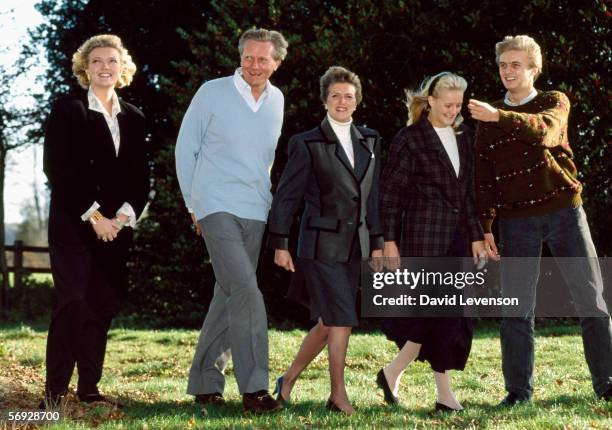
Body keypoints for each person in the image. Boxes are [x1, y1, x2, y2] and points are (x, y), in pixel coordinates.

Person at [468, 35, 612, 405]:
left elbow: (545, 131)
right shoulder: (488, 118)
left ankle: (607, 383)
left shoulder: (554, 101)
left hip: (565, 211)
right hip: (516, 222)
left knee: (591, 301)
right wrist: (486, 227)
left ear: (534, 69)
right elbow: (483, 179)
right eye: (503, 65)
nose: (508, 71)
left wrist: (500, 115)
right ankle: (518, 392)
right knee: (516, 310)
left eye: (516, 64)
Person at [175, 28, 288, 413]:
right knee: (247, 292)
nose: (255, 65)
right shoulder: (212, 92)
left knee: (227, 295)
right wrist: (194, 203)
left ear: (277, 62)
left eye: (264, 59)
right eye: (249, 57)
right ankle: (255, 388)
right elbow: (186, 147)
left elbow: (265, 158)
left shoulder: (277, 100)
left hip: (255, 207)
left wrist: (267, 199)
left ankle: (205, 381)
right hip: (215, 203)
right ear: (240, 58)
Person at [267, 66, 384, 415]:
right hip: (319, 246)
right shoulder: (306, 142)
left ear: (357, 100)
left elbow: (373, 196)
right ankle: (337, 394)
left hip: (356, 244)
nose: (342, 101)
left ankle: (286, 380)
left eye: (349, 96)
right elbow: (287, 195)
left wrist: (378, 241)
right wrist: (279, 242)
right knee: (342, 316)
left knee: (330, 321)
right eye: (335, 95)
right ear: (325, 100)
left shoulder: (371, 139)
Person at [41, 34, 149, 408]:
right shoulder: (67, 109)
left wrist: (121, 218)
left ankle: (88, 388)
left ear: (123, 69)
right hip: (74, 226)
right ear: (85, 68)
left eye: (113, 61)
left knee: (101, 305)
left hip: (115, 231)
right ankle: (53, 394)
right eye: (98, 61)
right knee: (72, 303)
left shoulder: (134, 117)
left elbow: (141, 179)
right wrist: (96, 217)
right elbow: (58, 169)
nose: (106, 67)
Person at [378, 72, 485, 412]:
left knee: (447, 316)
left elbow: (466, 194)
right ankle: (443, 396)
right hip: (422, 238)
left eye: (458, 105)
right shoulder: (410, 138)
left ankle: (393, 372)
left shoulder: (464, 136)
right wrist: (389, 241)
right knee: (437, 314)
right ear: (431, 101)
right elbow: (390, 195)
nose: (453, 111)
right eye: (447, 105)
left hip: (457, 240)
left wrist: (477, 236)